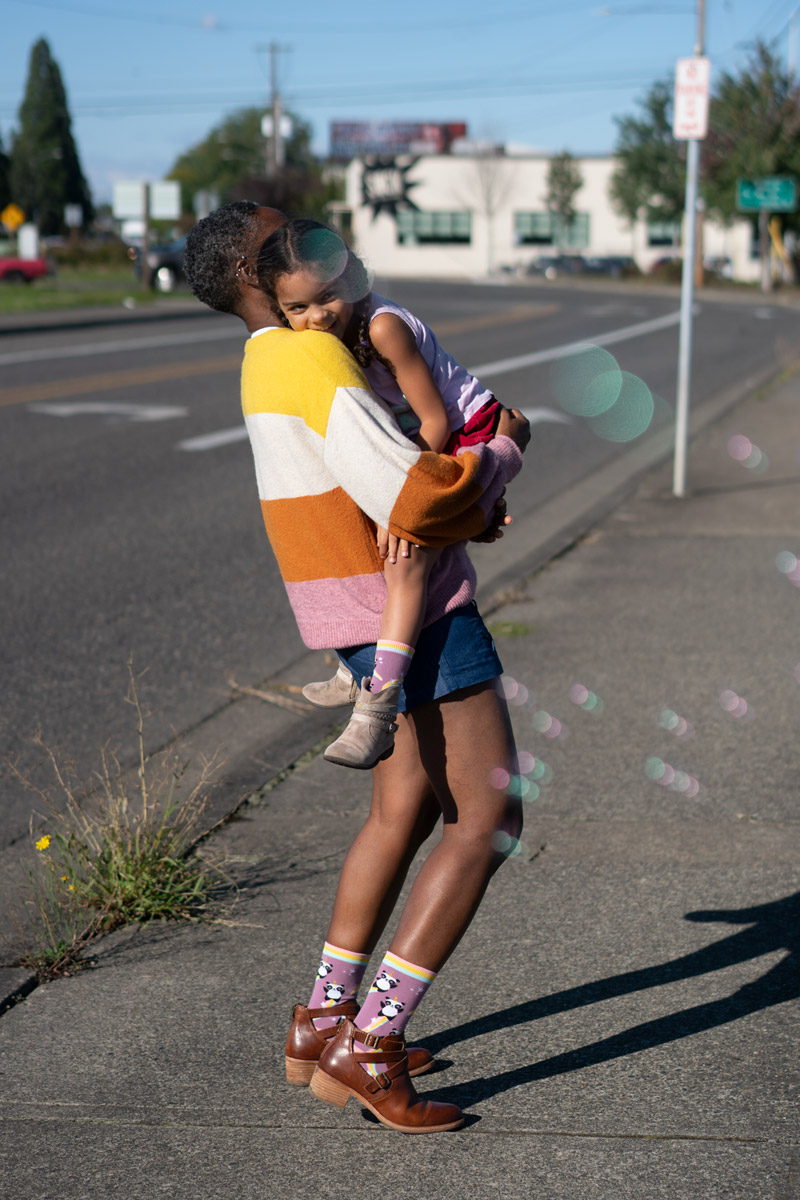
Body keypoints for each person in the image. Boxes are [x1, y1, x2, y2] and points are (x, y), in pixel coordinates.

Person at [184, 201, 531, 1134]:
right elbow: (416, 497)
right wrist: (502, 449)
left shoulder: (266, 356)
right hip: (409, 616)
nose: (303, 229)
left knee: (406, 805)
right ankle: (370, 1048)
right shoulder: (310, 359)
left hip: (351, 611)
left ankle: (324, 1022)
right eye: (280, 232)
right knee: (489, 816)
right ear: (262, 280)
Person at [257, 218, 507, 771]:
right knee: (377, 544)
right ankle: (357, 669)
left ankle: (377, 709)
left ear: (350, 280)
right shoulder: (321, 338)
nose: (316, 317)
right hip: (421, 439)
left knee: (406, 560)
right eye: (297, 309)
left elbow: (436, 418)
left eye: (326, 298)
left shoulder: (382, 327)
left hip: (467, 431)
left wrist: (400, 499)